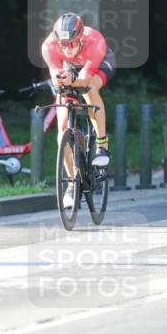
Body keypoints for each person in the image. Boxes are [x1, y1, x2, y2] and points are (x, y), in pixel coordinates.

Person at [41, 13, 115, 204]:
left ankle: (102, 144)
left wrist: (74, 80)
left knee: (89, 89)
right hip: (70, 68)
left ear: (81, 37)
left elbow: (83, 79)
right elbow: (56, 74)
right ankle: (73, 183)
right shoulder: (48, 46)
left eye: (72, 42)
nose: (67, 47)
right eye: (63, 44)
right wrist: (61, 79)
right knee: (62, 128)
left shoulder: (95, 41)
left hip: (97, 64)